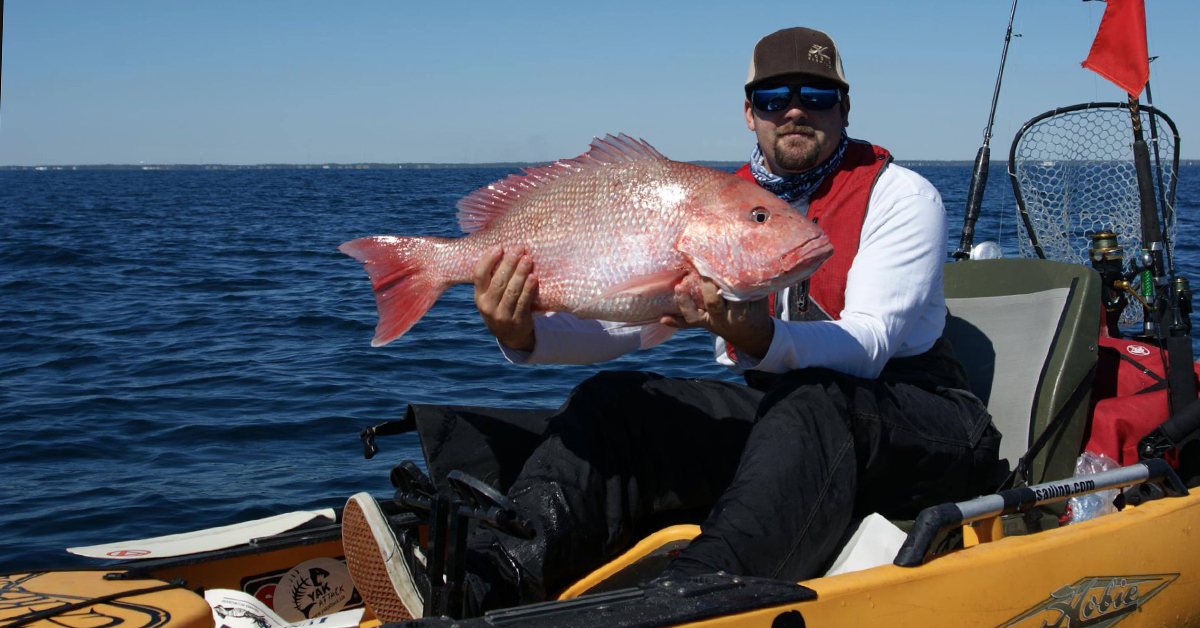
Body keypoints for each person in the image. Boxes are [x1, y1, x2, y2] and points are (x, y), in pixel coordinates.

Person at [340, 26, 1003, 621]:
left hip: (923, 425)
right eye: (774, 97)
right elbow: (628, 326)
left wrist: (754, 336)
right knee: (619, 403)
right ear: (750, 112)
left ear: (844, 108)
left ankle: (687, 601)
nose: (795, 109)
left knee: (814, 400)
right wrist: (522, 333)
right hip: (788, 429)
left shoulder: (901, 196)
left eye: (817, 95)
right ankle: (482, 584)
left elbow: (868, 347)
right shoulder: (719, 198)